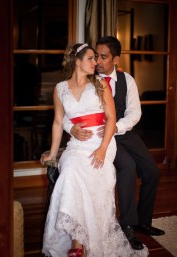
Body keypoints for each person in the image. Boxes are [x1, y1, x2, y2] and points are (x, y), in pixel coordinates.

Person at [39, 43, 149, 257]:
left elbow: (110, 118)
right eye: (91, 58)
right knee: (69, 174)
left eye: (96, 59)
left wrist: (102, 149)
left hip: (102, 143)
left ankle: (83, 246)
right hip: (77, 146)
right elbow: (59, 122)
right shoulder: (60, 89)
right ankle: (80, 245)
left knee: (93, 180)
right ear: (77, 62)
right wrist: (52, 151)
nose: (95, 62)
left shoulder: (100, 84)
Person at [66, 37, 163, 242]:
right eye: (96, 56)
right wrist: (71, 127)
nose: (97, 61)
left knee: (152, 172)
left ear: (116, 59)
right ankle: (127, 223)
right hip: (101, 137)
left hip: (124, 132)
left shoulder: (127, 80)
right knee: (127, 167)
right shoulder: (89, 79)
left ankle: (143, 221)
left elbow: (135, 113)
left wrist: (117, 127)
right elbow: (69, 111)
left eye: (103, 57)